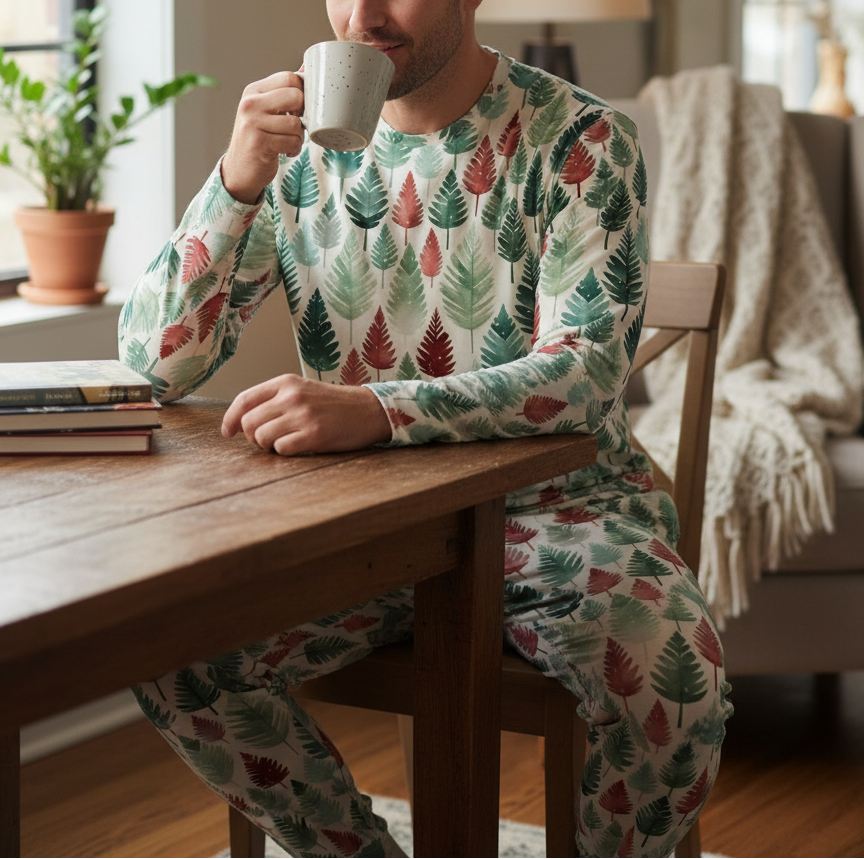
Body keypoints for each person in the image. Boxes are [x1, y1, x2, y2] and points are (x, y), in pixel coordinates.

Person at [119, 1, 732, 855]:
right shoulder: (293, 153)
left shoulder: (582, 137)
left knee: (678, 689)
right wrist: (236, 179)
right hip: (364, 523)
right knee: (170, 649)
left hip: (560, 511)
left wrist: (374, 410)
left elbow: (585, 375)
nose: (363, 13)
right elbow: (155, 362)